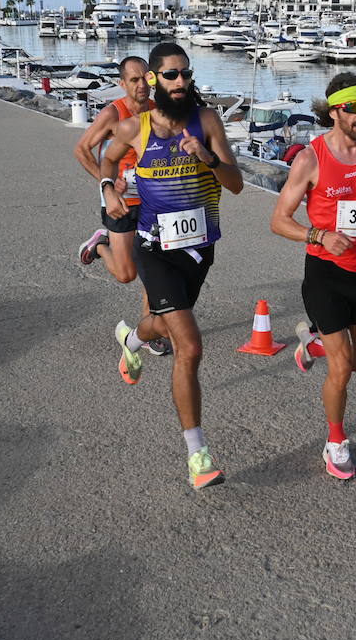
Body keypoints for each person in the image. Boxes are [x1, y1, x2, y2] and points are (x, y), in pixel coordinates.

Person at [100, 42, 243, 489]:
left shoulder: (208, 122)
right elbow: (106, 157)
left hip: (199, 250)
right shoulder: (135, 127)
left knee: (161, 324)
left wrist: (209, 158)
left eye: (185, 74)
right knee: (190, 346)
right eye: (170, 75)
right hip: (154, 247)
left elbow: (235, 185)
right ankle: (197, 455)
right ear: (154, 81)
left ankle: (132, 339)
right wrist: (109, 188)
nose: (180, 82)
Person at [269, 72, 356, 480]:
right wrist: (320, 236)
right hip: (326, 274)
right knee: (342, 370)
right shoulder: (311, 158)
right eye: (353, 108)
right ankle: (335, 441)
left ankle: (313, 342)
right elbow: (278, 220)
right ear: (333, 112)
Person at [73, 56, 170, 357]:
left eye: (146, 78)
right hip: (121, 201)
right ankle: (101, 243)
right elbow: (81, 149)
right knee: (126, 274)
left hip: (153, 201)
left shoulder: (159, 110)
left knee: (154, 271)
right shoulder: (113, 113)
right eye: (134, 80)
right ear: (122, 84)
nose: (142, 85)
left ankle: (149, 329)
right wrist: (106, 183)